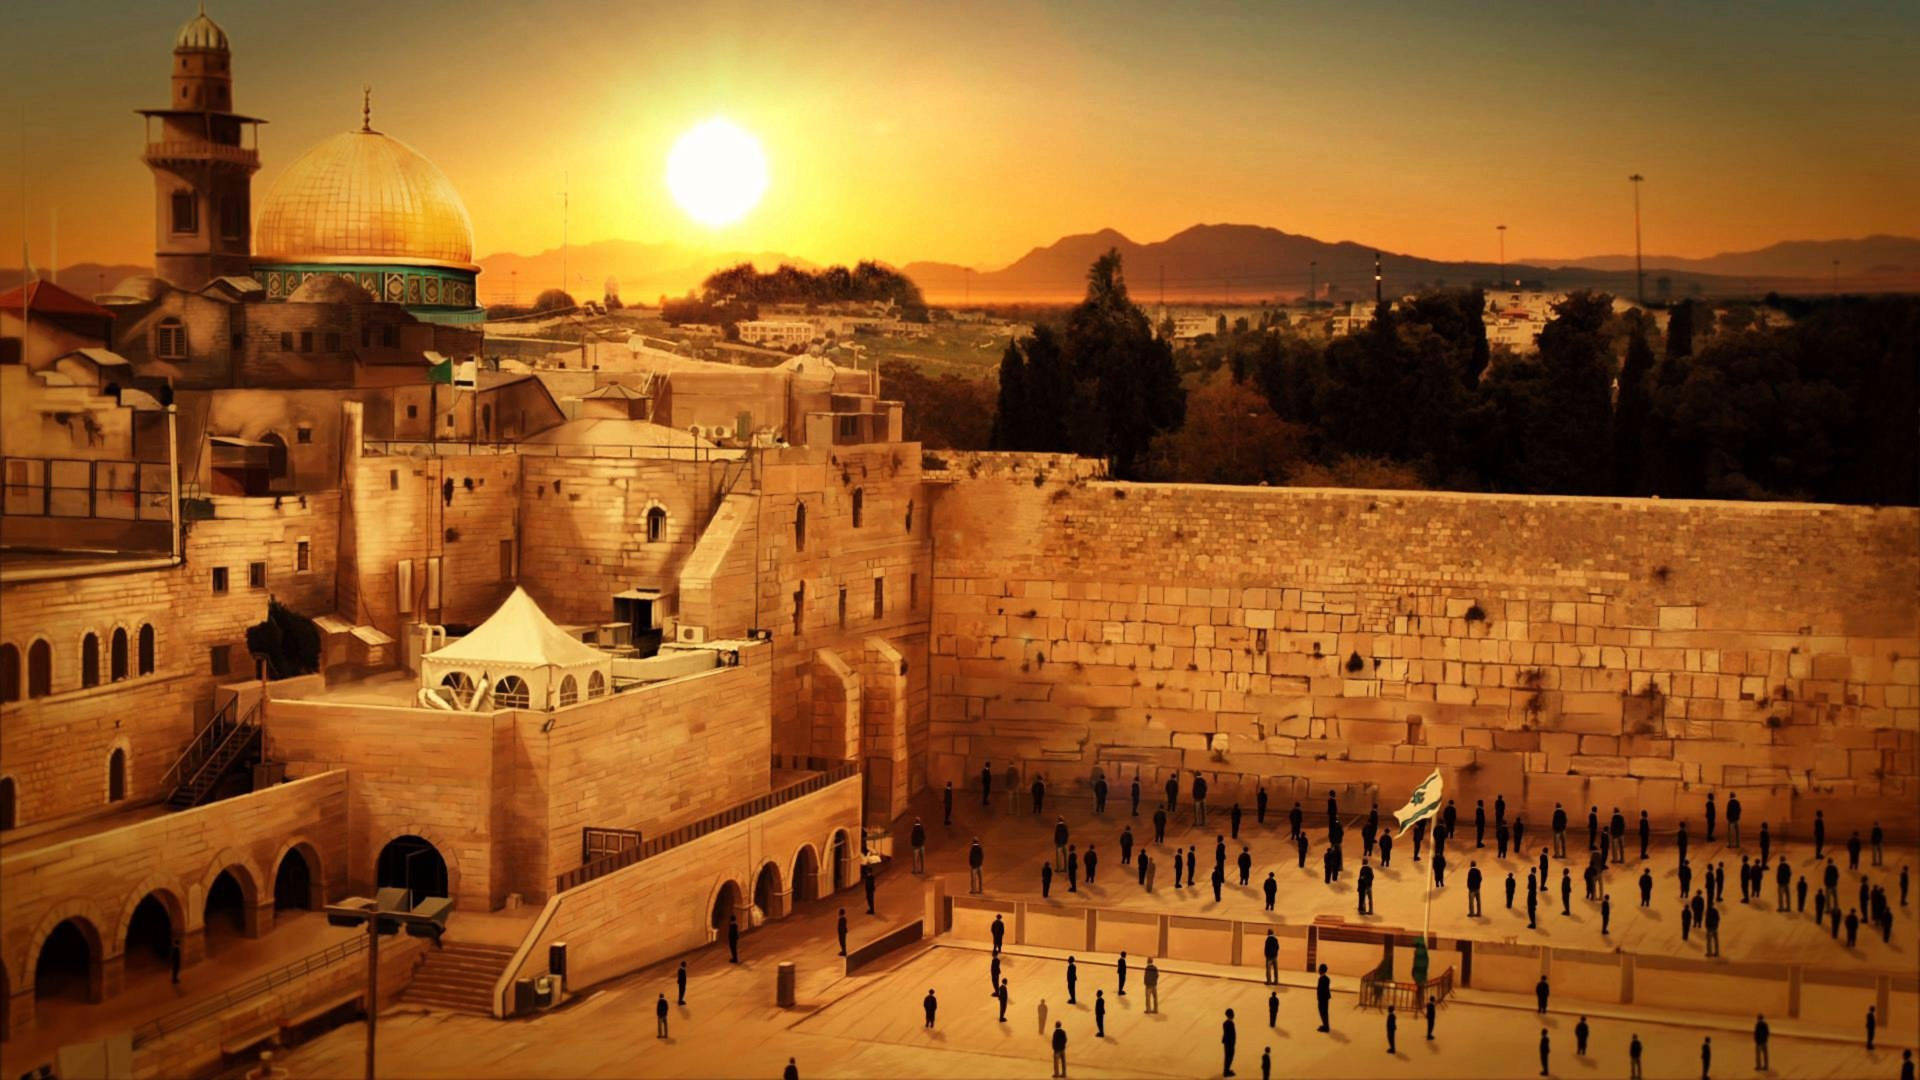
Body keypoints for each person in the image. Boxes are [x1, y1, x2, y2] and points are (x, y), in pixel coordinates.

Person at [1315, 963, 1332, 1031]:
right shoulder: (1327, 978)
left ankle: (1326, 1027)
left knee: (1322, 1012)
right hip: (1326, 998)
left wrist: (1319, 998)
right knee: (1325, 1012)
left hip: (1322, 999)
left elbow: (1321, 990)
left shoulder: (1321, 979)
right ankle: (1325, 1025)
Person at [1222, 1008, 1238, 1076]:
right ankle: (1226, 1071)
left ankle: (1226, 1070)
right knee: (1229, 1057)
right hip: (1229, 1044)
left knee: (1228, 1057)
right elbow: (1230, 1034)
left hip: (1227, 1043)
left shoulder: (1226, 1023)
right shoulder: (1230, 1023)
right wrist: (1232, 1043)